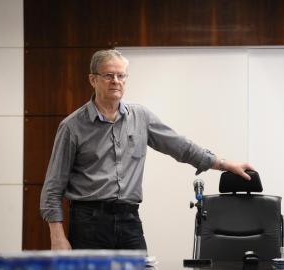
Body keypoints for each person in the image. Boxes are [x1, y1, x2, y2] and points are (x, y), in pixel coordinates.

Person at [40, 49, 254, 251]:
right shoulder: (72, 127)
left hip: (129, 220)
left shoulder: (141, 117)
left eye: (121, 76)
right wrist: (57, 236)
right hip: (88, 223)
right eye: (108, 75)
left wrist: (224, 164)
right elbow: (53, 187)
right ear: (92, 79)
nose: (116, 81)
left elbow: (181, 147)